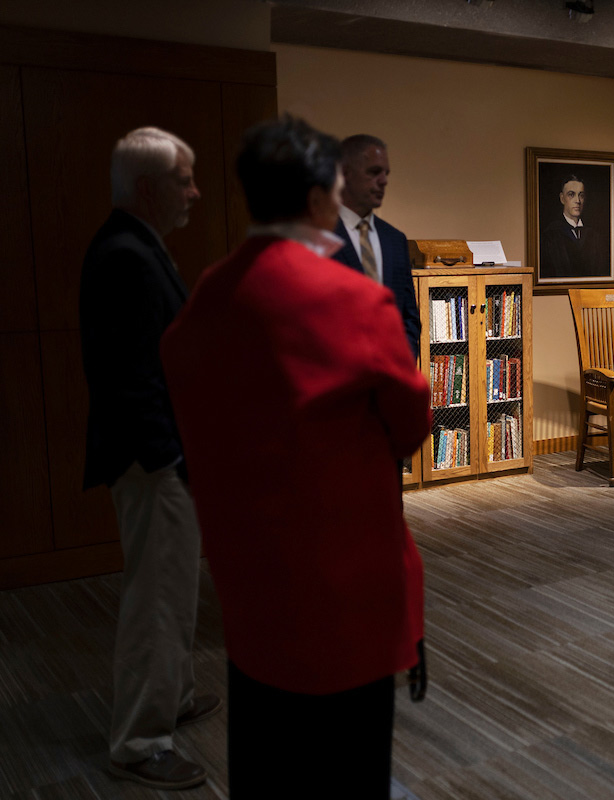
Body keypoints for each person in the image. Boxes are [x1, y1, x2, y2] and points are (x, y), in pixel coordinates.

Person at [160, 116, 431, 798]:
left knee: (269, 761)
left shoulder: (205, 302)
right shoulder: (354, 301)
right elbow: (412, 421)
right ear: (320, 200)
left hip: (248, 580)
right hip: (345, 585)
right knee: (348, 768)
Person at [79, 126, 219, 791]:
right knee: (155, 601)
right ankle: (138, 741)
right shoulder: (126, 255)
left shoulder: (139, 246)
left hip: (164, 457)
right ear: (146, 187)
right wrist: (172, 460)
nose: (195, 191)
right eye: (184, 179)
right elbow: (131, 379)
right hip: (151, 461)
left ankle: (176, 696)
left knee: (174, 590)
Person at [332, 133, 422, 354]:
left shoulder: (395, 240)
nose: (384, 181)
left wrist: (402, 364)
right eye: (374, 172)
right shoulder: (316, 236)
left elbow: (409, 316)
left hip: (390, 379)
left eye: (386, 173)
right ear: (345, 174)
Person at [540, 174, 605, 279]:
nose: (578, 201)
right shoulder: (550, 235)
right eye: (571, 194)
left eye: (581, 195)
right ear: (562, 198)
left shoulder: (594, 236)